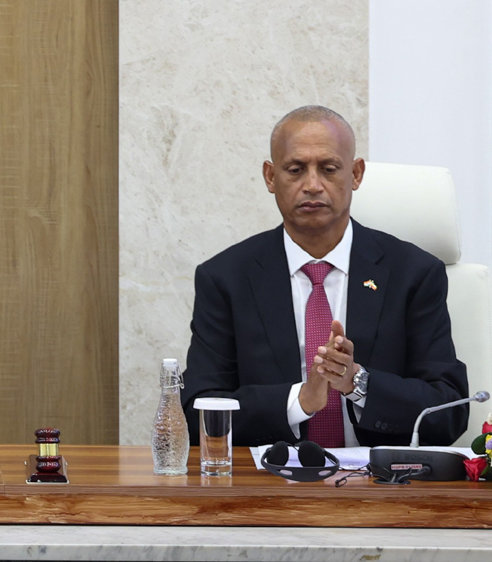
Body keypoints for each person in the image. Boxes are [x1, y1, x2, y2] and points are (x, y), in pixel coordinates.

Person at [181, 105, 468, 449]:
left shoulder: (414, 274)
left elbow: (449, 412)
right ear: (271, 177)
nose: (312, 185)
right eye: (295, 169)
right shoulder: (226, 278)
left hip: (382, 487)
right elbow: (198, 411)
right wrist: (297, 402)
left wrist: (357, 383)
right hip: (270, 488)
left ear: (356, 174)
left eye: (329, 169)